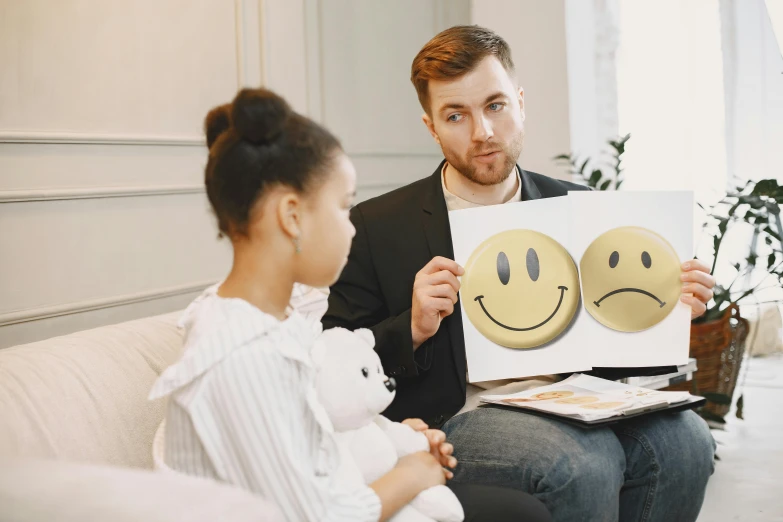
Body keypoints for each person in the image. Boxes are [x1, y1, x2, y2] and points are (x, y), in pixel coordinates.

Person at [323, 25, 716, 522]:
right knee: (581, 462)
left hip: (578, 400)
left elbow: (614, 350)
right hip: (465, 414)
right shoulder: (378, 226)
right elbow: (329, 358)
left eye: (495, 105)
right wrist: (414, 327)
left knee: (687, 442)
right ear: (432, 127)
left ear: (520, 102)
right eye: (455, 115)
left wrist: (667, 305)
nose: (482, 132)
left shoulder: (579, 206)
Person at [149, 88, 551, 522]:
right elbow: (320, 515)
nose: (353, 228)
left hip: (342, 489)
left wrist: (395, 437)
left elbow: (316, 429)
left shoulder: (282, 316)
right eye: (342, 208)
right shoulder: (242, 354)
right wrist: (415, 473)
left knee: (519, 512)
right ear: (292, 216)